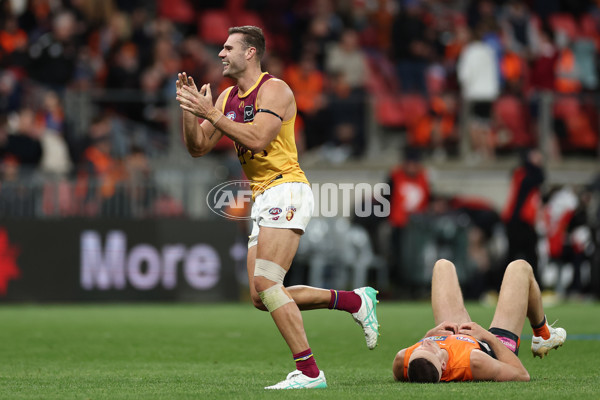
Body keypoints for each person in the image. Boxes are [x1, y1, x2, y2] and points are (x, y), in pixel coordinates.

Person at [174, 25, 379, 390]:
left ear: (250, 52)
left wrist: (211, 112)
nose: (220, 54)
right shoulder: (225, 99)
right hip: (264, 197)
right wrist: (192, 111)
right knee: (260, 296)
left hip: (287, 189)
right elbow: (197, 148)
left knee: (268, 284)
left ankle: (310, 372)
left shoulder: (275, 89)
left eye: (227, 47)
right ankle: (354, 300)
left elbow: (258, 138)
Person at [392, 258, 566, 383]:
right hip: (492, 346)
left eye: (421, 346)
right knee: (520, 268)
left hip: (455, 334)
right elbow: (522, 375)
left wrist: (430, 335)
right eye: (429, 348)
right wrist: (486, 335)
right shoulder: (475, 362)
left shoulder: (404, 360)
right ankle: (543, 335)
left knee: (442, 266)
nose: (425, 344)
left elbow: (423, 350)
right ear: (444, 365)